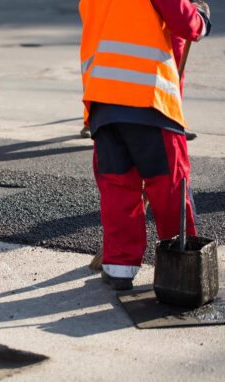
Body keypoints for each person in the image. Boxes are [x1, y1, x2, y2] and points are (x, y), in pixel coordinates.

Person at [79, 0, 211, 290]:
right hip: (148, 100)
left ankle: (118, 270)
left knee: (118, 191)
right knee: (169, 187)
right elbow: (184, 22)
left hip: (102, 103)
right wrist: (200, 19)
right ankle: (182, 270)